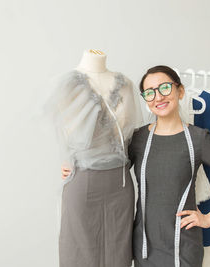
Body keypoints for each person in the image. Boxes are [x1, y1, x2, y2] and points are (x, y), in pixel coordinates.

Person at [63, 65, 210, 267]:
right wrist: (78, 167)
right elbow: (111, 169)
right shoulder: (137, 138)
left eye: (164, 88)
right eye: (150, 93)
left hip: (184, 246)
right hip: (143, 245)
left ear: (180, 91)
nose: (158, 97)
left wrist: (208, 218)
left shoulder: (198, 139)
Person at [47, 50, 143, 267]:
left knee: (118, 249)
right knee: (79, 250)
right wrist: (68, 159)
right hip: (83, 180)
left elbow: (129, 137)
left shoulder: (125, 84)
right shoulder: (67, 85)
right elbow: (64, 134)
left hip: (120, 183)